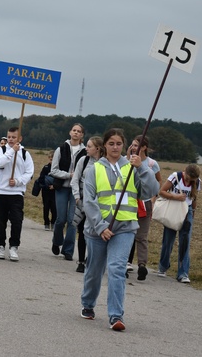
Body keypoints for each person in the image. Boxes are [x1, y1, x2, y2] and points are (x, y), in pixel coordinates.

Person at [79, 128, 159, 331]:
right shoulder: (94, 169)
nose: (115, 147)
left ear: (124, 146)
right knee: (94, 271)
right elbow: (89, 201)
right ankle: (88, 304)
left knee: (116, 269)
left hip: (125, 227)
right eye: (111, 143)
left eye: (119, 144)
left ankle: (116, 316)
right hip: (99, 229)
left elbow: (151, 191)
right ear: (104, 146)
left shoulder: (133, 166)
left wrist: (142, 169)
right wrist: (101, 226)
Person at [0, 127, 34, 261]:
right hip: (0, 191)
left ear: (20, 139)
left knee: (17, 221)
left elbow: (29, 172)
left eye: (13, 137)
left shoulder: (25, 154)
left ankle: (14, 246)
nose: (10, 139)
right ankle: (0, 245)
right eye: (9, 137)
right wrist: (11, 151)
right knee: (0, 220)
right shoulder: (2, 150)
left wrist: (17, 181)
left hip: (16, 192)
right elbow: (0, 163)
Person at [157, 164, 201, 284]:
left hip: (187, 212)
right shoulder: (175, 177)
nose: (188, 181)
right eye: (187, 178)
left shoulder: (197, 182)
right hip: (174, 210)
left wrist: (193, 213)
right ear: (184, 172)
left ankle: (183, 273)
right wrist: (175, 196)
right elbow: (161, 192)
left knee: (185, 242)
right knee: (168, 239)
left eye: (191, 180)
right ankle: (163, 267)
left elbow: (194, 198)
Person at [126, 135, 162, 281]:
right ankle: (125, 263)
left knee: (141, 236)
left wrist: (153, 199)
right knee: (127, 232)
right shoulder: (127, 160)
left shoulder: (152, 164)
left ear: (144, 147)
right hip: (129, 201)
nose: (134, 147)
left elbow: (158, 181)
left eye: (137, 145)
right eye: (133, 145)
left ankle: (142, 265)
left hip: (145, 202)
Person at [50, 124, 86, 262]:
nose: (76, 133)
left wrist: (76, 178)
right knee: (61, 219)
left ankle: (68, 250)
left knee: (72, 220)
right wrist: (69, 175)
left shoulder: (84, 152)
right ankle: (56, 241)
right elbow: (53, 170)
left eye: (79, 131)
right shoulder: (61, 149)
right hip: (62, 187)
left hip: (76, 189)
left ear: (82, 135)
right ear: (70, 132)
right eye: (74, 130)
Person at [71, 136, 104, 273]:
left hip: (99, 204)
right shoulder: (83, 161)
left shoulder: (104, 163)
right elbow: (75, 179)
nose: (86, 148)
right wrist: (77, 197)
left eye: (89, 146)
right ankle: (80, 261)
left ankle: (91, 260)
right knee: (82, 231)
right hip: (83, 202)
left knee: (95, 233)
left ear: (97, 148)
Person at [35, 150, 56, 231]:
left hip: (54, 191)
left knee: (54, 208)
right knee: (46, 207)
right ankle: (46, 223)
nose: (52, 161)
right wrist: (46, 185)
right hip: (46, 191)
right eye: (51, 159)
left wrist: (54, 186)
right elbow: (41, 178)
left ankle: (53, 222)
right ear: (48, 158)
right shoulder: (46, 168)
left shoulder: (58, 169)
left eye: (54, 160)